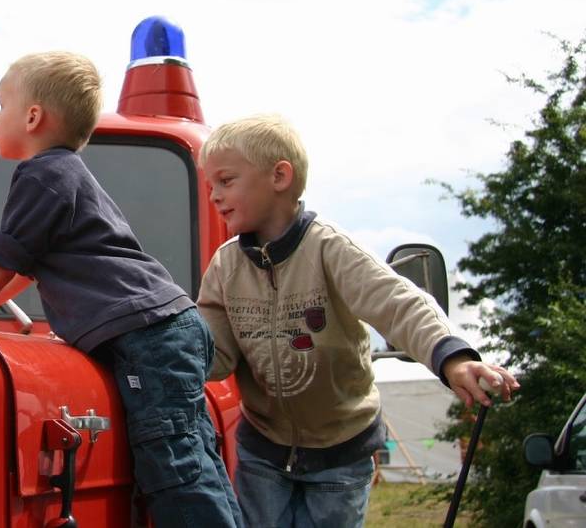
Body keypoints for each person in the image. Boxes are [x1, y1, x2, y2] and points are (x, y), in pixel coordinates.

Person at [0, 51, 243, 527]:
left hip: (147, 335)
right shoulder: (67, 174)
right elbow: (25, 270)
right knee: (196, 458)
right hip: (166, 327)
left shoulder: (42, 174)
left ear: (32, 117)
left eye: (0, 105)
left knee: (174, 469)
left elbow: (3, 260)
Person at [195, 113, 519, 527]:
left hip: (340, 454)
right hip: (264, 452)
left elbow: (398, 304)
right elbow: (214, 352)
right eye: (210, 186)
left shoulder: (329, 249)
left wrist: (454, 359)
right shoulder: (225, 267)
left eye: (226, 181)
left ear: (279, 176)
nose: (215, 196)